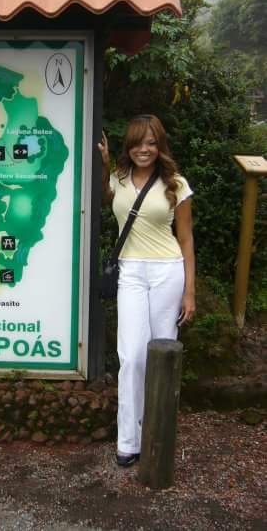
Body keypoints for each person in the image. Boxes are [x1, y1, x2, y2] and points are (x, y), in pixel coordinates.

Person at [98, 114, 195, 467]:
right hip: (131, 273)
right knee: (132, 356)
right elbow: (104, 198)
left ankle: (157, 433)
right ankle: (128, 439)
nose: (145, 149)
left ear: (160, 146)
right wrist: (104, 164)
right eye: (139, 142)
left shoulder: (176, 184)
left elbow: (185, 240)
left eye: (152, 143)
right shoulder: (118, 178)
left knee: (161, 357)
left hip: (168, 272)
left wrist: (190, 293)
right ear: (129, 145)